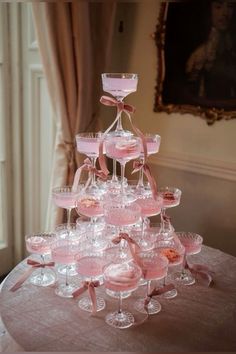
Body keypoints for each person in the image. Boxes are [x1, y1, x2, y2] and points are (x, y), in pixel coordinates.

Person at [185, 1, 236, 101]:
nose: (225, 13)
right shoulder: (200, 53)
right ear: (210, 10)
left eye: (230, 7)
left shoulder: (231, 46)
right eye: (218, 7)